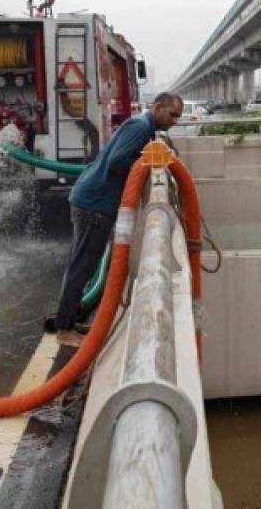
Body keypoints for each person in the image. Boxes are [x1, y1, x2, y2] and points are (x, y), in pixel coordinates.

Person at [53, 92, 183, 347]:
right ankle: (64, 330)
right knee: (82, 267)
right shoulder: (140, 127)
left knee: (81, 266)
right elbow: (117, 162)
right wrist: (148, 162)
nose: (175, 121)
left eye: (178, 116)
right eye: (172, 114)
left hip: (93, 201)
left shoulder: (144, 128)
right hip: (95, 204)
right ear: (157, 107)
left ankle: (69, 318)